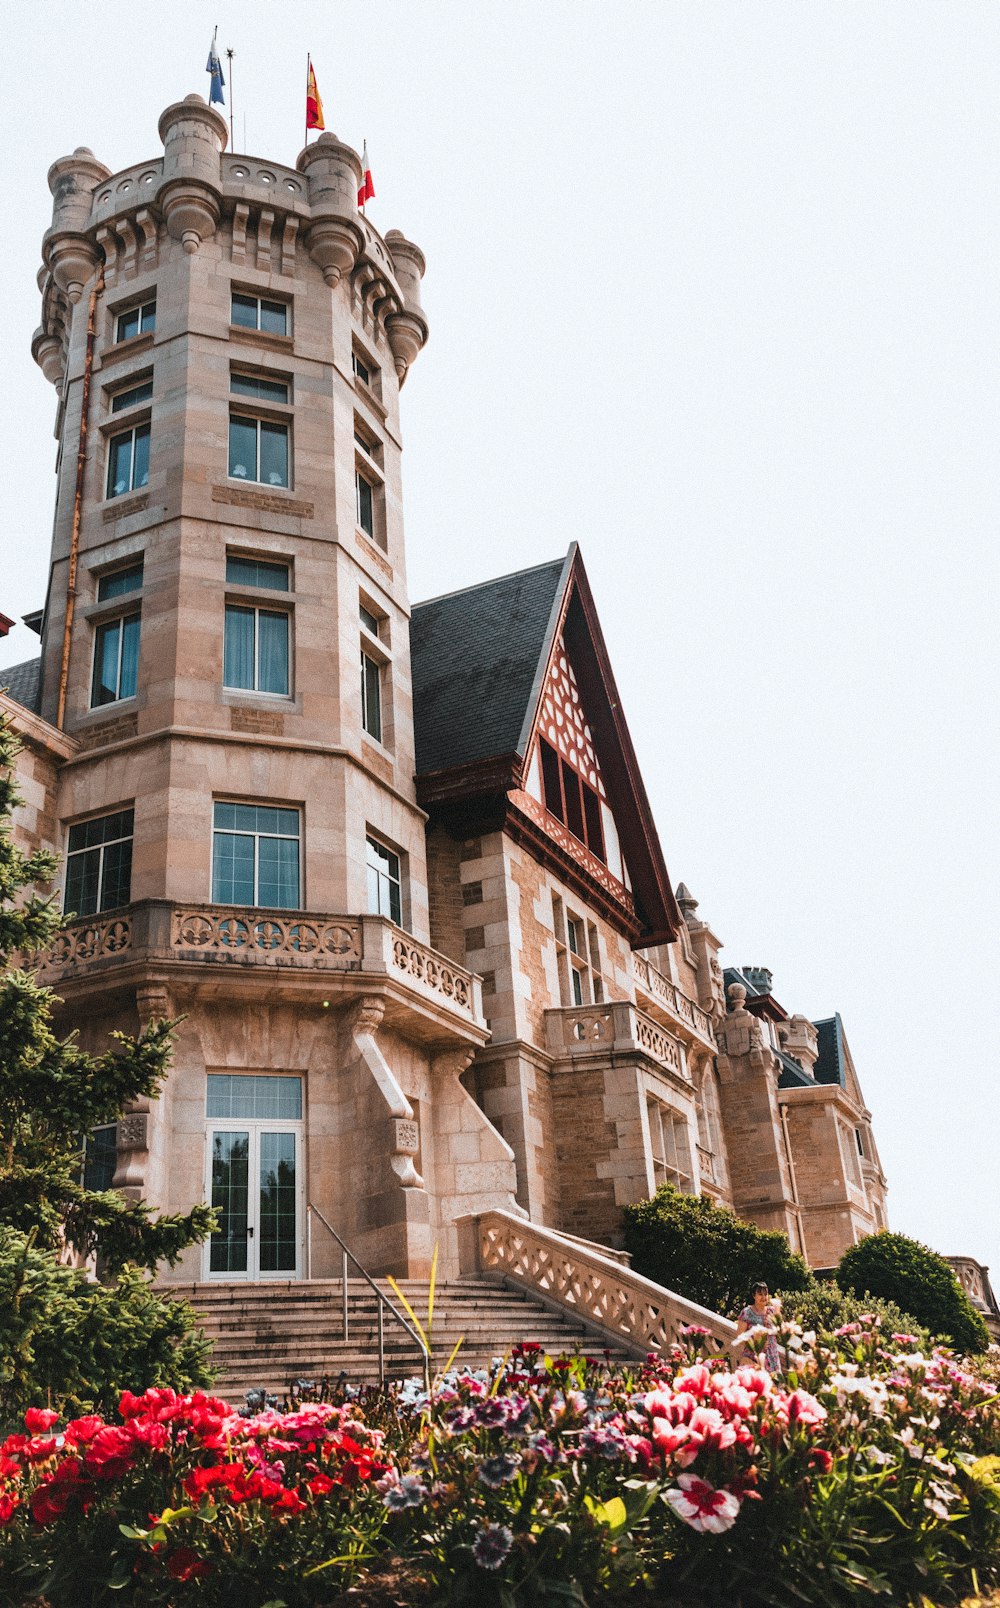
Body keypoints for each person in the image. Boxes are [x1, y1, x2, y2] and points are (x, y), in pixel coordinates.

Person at [735, 1282, 782, 1374]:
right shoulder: (747, 1312)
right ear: (754, 1296)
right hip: (754, 1357)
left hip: (772, 1358)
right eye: (760, 1294)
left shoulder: (772, 1311)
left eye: (766, 1294)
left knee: (774, 1387)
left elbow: (780, 1330)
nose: (764, 1297)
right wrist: (757, 1341)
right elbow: (739, 1338)